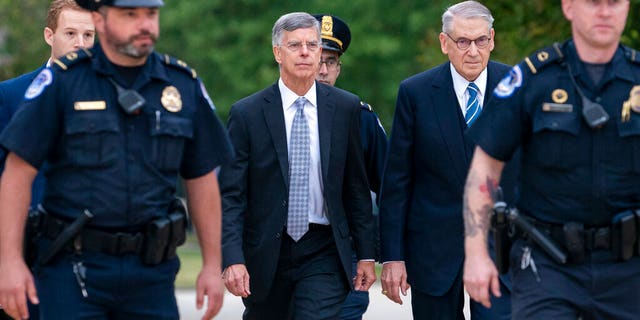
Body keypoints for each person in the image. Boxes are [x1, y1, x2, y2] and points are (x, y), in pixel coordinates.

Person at [0, 0, 234, 319]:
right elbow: (17, 173)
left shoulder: (181, 85)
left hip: (152, 272)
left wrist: (211, 263)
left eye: (151, 14)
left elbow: (202, 178)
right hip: (73, 270)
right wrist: (9, 261)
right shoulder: (62, 82)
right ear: (101, 19)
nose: (145, 24)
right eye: (130, 14)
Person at [463, 0, 640, 319]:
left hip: (630, 268)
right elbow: (485, 169)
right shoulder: (533, 80)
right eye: (593, 2)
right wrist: (476, 254)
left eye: (614, 2)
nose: (604, 11)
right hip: (547, 265)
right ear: (569, 7)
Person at [219, 12, 376, 320]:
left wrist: (367, 254)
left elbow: (356, 187)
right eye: (295, 45)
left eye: (312, 45)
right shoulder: (247, 114)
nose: (305, 52)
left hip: (324, 249)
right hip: (267, 249)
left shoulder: (345, 108)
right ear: (278, 52)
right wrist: (232, 258)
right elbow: (231, 195)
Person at [379, 1, 516, 319]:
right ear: (445, 43)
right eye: (462, 41)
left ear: (492, 39)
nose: (472, 51)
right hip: (433, 253)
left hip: (502, 251)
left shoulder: (516, 87)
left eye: (480, 40)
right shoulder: (416, 93)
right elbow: (397, 180)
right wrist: (393, 257)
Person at [313, 13, 387, 320]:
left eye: (331, 61)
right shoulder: (265, 113)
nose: (323, 70)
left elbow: (389, 187)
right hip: (283, 255)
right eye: (317, 58)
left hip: (346, 255)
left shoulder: (361, 119)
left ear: (339, 68)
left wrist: (391, 254)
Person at [0, 0, 95, 208]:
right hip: (33, 231)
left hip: (98, 232)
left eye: (88, 35)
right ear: (49, 36)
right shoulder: (10, 95)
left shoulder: (113, 93)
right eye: (70, 33)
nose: (80, 43)